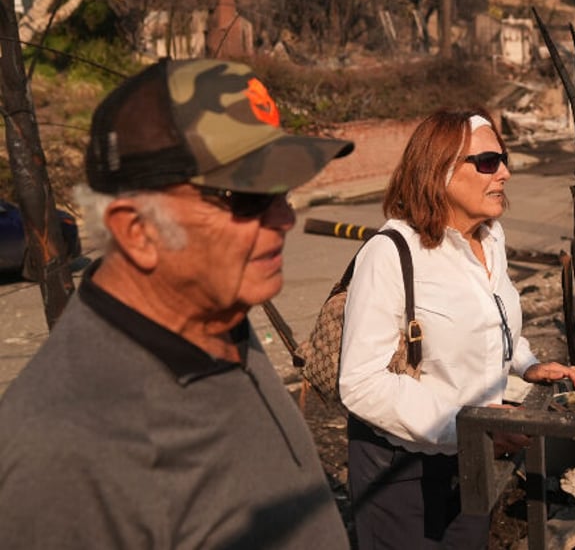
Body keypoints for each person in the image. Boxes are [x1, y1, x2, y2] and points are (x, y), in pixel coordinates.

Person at [0, 58, 355, 549]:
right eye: (248, 197)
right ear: (138, 231)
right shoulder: (70, 451)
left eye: (284, 189)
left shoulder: (211, 312)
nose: (285, 218)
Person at [338, 108, 575, 549]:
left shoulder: (491, 239)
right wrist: (472, 426)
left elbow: (492, 321)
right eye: (489, 162)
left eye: (503, 159)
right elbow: (360, 383)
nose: (506, 173)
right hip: (401, 469)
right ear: (440, 170)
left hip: (472, 458)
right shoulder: (391, 252)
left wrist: (526, 365)